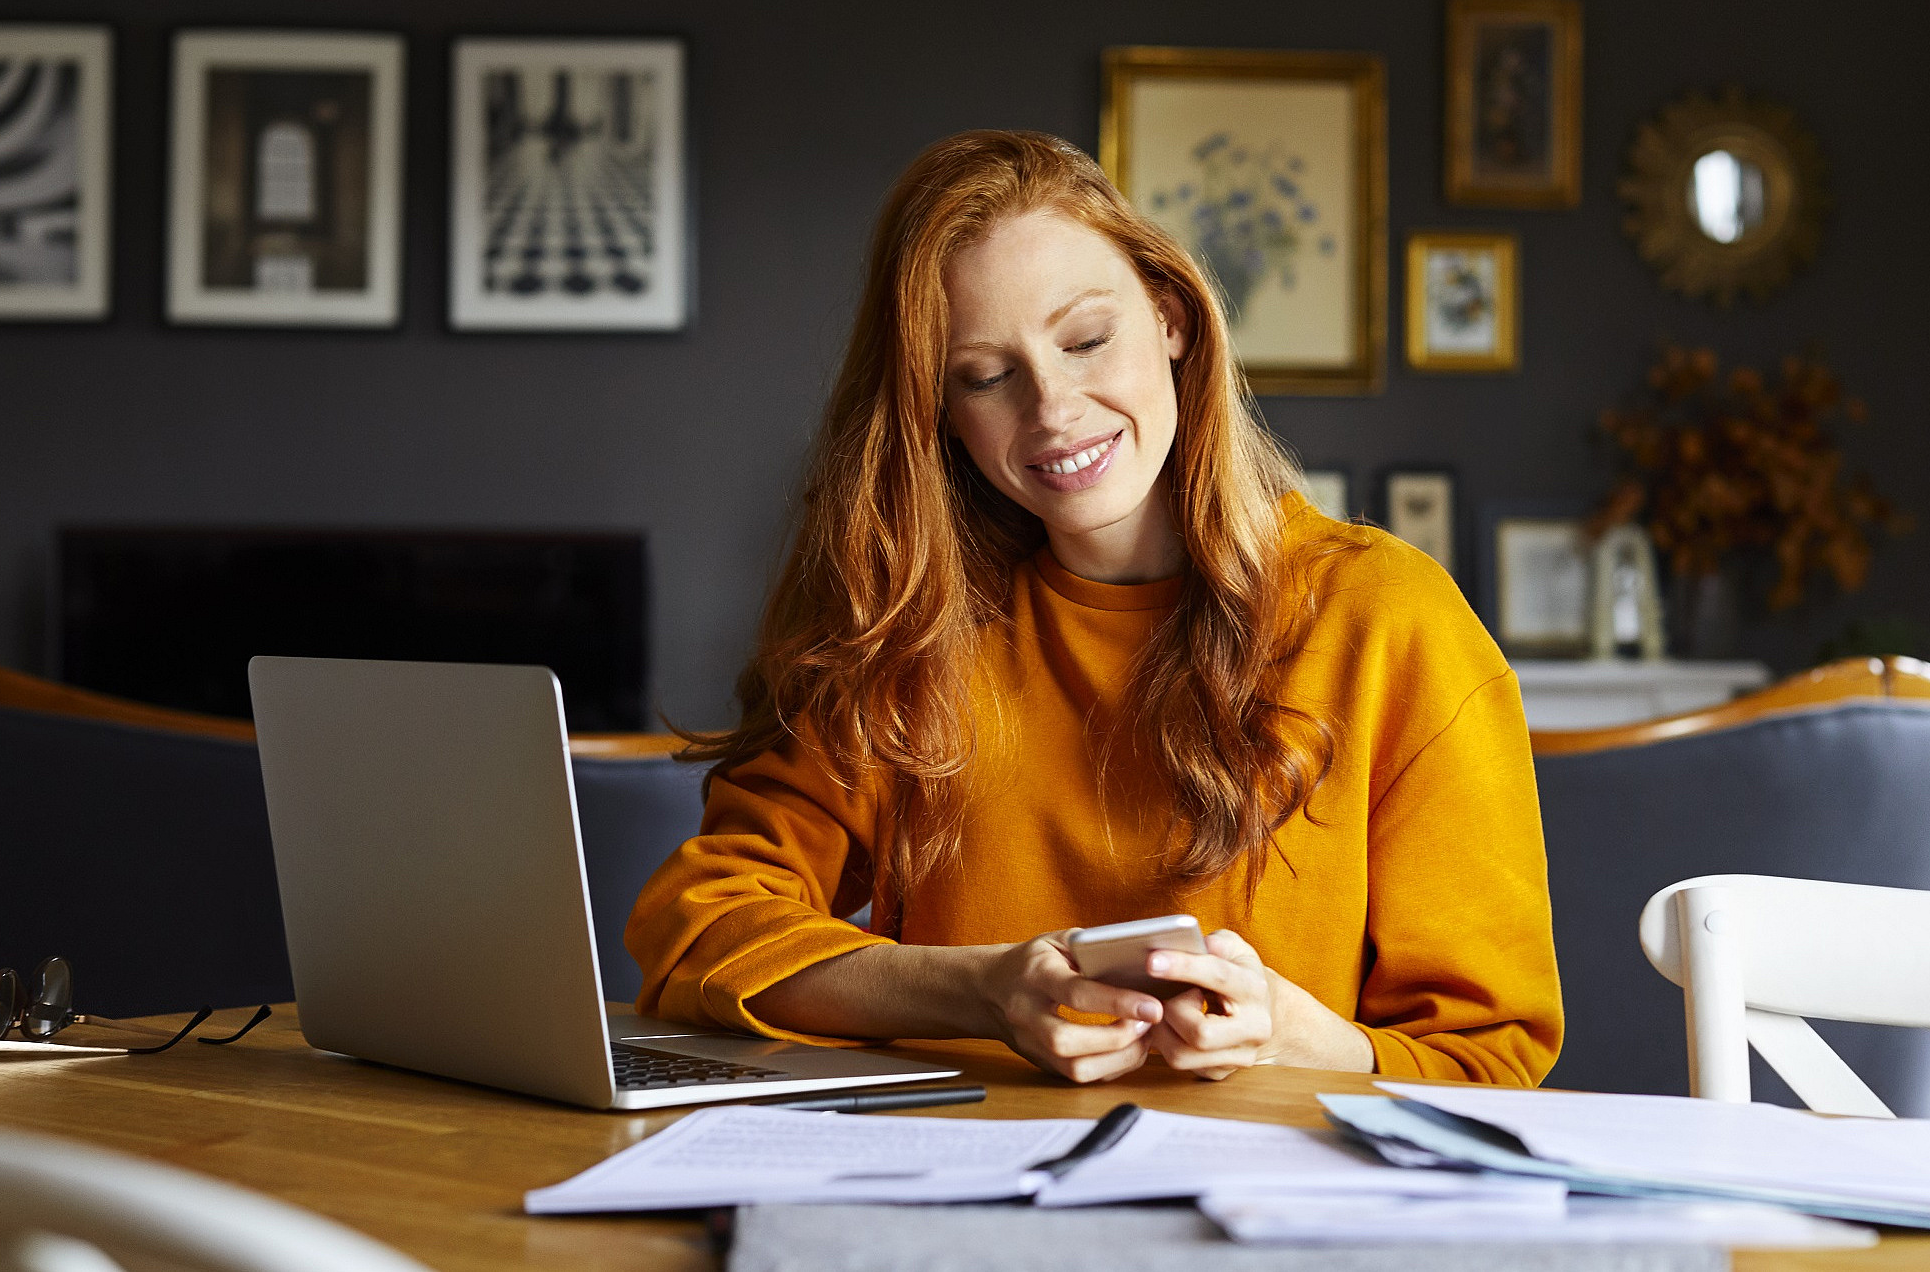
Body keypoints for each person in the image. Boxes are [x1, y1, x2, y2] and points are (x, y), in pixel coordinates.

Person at [627, 131, 1560, 1085]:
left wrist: (1287, 1031)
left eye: (1085, 340)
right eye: (987, 377)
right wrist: (983, 990)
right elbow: (702, 927)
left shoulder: (1387, 619)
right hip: (963, 1191)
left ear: (1172, 321)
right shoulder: (917, 628)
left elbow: (1489, 1058)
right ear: (940, 412)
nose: (1054, 409)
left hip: (1277, 1204)